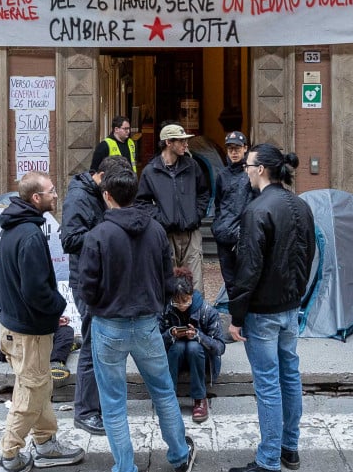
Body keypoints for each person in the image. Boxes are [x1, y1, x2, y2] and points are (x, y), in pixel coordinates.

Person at [78, 164, 196, 472]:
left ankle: (126, 468)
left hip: (109, 323)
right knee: (163, 392)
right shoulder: (156, 231)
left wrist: (99, 304)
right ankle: (180, 455)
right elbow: (165, 277)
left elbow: (86, 286)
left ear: (107, 196)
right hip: (146, 322)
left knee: (114, 403)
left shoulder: (98, 235)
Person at [227, 143, 316, 472]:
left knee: (268, 382)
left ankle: (267, 461)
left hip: (263, 311)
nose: (246, 171)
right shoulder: (301, 206)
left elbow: (247, 269)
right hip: (290, 307)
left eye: (249, 165)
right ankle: (289, 448)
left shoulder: (257, 209)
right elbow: (309, 256)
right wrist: (298, 295)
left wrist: (237, 316)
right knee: (289, 376)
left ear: (261, 168)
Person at [0, 172, 85, 472]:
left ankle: (46, 444)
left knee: (40, 386)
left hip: (20, 326)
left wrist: (48, 313)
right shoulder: (30, 235)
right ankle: (10, 456)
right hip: (28, 333)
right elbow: (34, 290)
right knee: (30, 393)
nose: (56, 195)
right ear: (36, 198)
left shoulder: (16, 227)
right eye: (51, 191)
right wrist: (57, 306)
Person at [60, 154, 133, 436]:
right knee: (92, 345)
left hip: (105, 276)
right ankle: (86, 412)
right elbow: (69, 240)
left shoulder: (99, 193)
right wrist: (108, 232)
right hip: (87, 280)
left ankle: (100, 404)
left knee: (104, 344)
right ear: (101, 178)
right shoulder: (79, 197)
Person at [136, 123, 210, 292]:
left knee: (195, 284)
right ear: (168, 142)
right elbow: (142, 203)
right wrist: (162, 220)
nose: (186, 144)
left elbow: (203, 193)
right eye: (181, 141)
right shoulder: (150, 171)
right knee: (168, 281)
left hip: (192, 233)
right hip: (166, 235)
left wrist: (197, 214)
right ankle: (170, 318)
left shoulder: (192, 166)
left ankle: (196, 318)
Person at [162, 266, 227, 424]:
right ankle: (169, 398)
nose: (181, 305)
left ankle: (200, 398)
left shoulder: (207, 311)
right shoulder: (166, 308)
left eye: (184, 300)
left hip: (200, 358)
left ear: (191, 295)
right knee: (177, 346)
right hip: (174, 356)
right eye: (176, 301)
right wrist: (171, 334)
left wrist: (199, 336)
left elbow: (220, 347)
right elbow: (154, 341)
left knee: (193, 346)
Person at [212, 130, 254, 299]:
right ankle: (236, 316)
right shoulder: (222, 175)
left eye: (237, 148)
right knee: (229, 280)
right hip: (224, 235)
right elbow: (218, 203)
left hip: (243, 235)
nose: (234, 152)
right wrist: (217, 226)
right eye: (230, 149)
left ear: (245, 148)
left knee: (246, 279)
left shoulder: (251, 173)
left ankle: (243, 318)